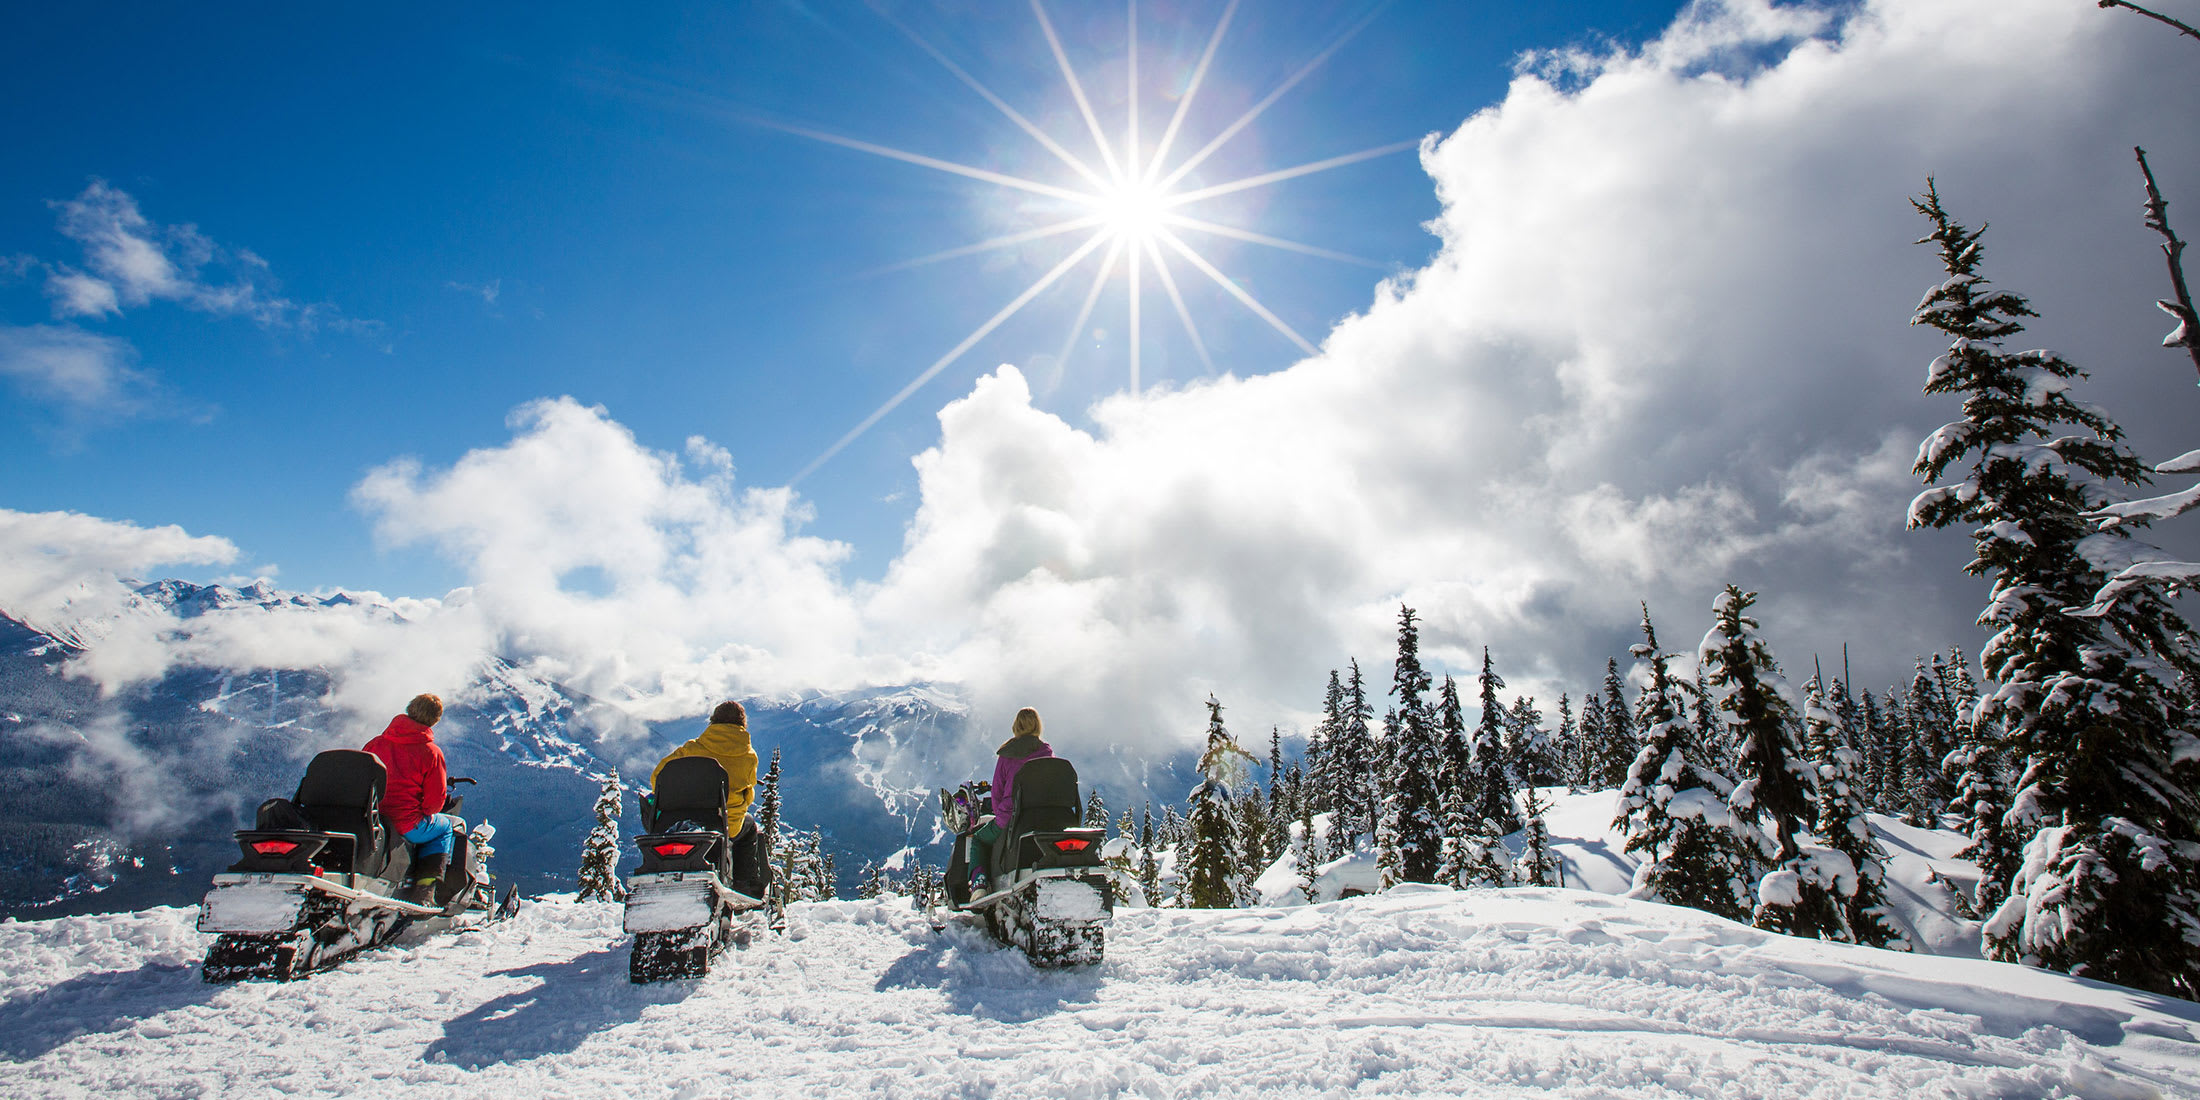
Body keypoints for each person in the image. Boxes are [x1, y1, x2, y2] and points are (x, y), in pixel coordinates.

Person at [653, 701, 769, 895]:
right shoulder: (749, 756)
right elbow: (748, 794)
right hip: (722, 822)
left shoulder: (691, 748)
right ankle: (743, 884)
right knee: (749, 829)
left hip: (677, 820)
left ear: (713, 722)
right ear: (742, 724)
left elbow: (658, 777)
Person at [363, 693, 464, 905]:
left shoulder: (375, 743)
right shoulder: (431, 752)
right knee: (444, 828)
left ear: (410, 709)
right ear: (435, 720)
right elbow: (434, 804)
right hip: (405, 823)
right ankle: (425, 889)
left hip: (370, 818)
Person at [970, 707, 1052, 887]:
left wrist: (1001, 814)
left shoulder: (1007, 755)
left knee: (978, 839)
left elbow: (997, 792)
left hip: (1011, 818)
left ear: (1016, 726)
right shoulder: (1046, 753)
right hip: (1044, 818)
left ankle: (979, 883)